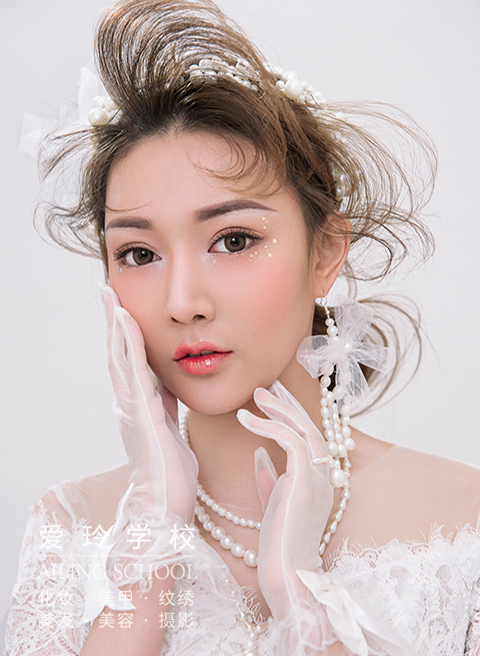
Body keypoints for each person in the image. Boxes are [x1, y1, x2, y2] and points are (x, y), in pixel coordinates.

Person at [5, 0, 480, 654]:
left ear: (325, 253)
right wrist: (152, 529)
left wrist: (303, 604)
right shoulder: (72, 530)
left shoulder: (463, 522)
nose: (183, 303)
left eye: (233, 240)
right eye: (138, 254)